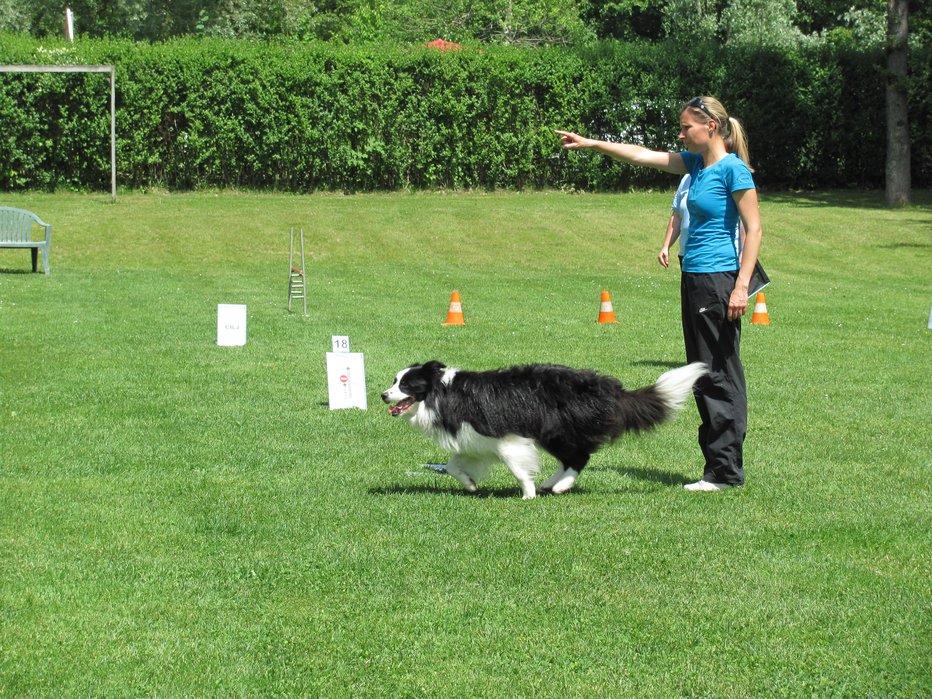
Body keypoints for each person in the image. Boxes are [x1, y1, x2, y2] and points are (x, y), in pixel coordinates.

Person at [556, 96, 762, 491]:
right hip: (696, 277)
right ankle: (719, 468)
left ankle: (724, 472)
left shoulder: (733, 171)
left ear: (711, 127)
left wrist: (740, 287)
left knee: (718, 372)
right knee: (704, 370)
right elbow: (641, 155)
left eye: (687, 128)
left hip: (719, 279)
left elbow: (754, 229)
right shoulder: (697, 165)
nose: (681, 134)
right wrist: (593, 143)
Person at [659, 173, 691, 269]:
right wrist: (666, 246)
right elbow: (677, 215)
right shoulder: (687, 178)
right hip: (685, 255)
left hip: (710, 257)